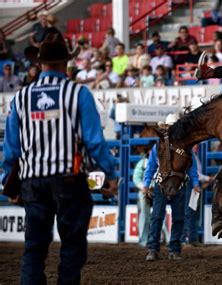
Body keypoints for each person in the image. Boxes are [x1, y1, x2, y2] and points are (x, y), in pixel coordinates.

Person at [2, 29, 118, 284]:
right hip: (68, 179)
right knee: (72, 248)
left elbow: (11, 147)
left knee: (34, 248)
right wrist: (110, 174)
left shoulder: (21, 98)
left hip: (32, 180)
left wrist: (7, 182)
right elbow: (94, 141)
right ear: (67, 62)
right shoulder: (78, 94)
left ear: (40, 63)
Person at [143, 114, 200, 261]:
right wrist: (146, 184)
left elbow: (191, 167)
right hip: (163, 184)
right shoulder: (159, 146)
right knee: (157, 217)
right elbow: (151, 166)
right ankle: (154, 249)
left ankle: (172, 249)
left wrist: (195, 184)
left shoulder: (184, 147)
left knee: (177, 218)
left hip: (178, 184)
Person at [133, 146, 152, 247]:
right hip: (144, 191)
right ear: (149, 151)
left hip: (156, 191)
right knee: (144, 215)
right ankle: (143, 240)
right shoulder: (143, 163)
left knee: (159, 215)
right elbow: (136, 179)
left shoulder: (161, 162)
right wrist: (144, 188)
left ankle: (166, 239)